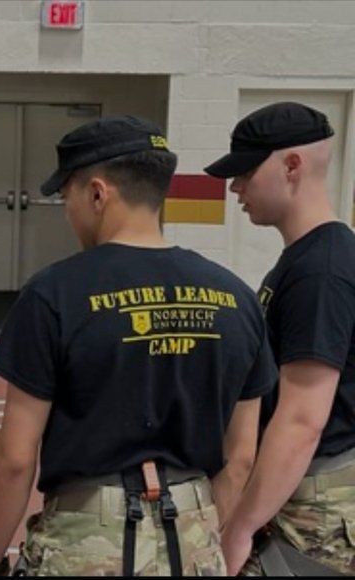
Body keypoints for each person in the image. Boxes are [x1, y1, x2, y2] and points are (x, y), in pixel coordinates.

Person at [0, 115, 277, 576]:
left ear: (97, 193)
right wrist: (203, 533)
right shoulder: (236, 297)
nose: (68, 211)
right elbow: (241, 457)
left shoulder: (53, 294)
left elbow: (16, 459)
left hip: (86, 539)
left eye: (67, 196)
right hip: (192, 538)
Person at [205, 101, 355, 575]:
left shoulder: (321, 271)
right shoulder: (307, 258)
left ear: (291, 165)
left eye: (246, 171)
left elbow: (303, 417)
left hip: (314, 505)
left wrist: (241, 527)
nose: (235, 187)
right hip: (300, 488)